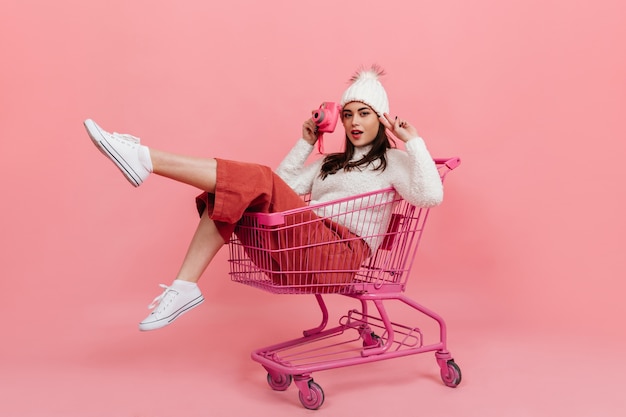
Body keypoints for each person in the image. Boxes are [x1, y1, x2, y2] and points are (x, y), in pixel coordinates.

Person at [84, 66, 444, 331]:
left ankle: (146, 159)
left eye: (364, 113)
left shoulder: (394, 162)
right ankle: (184, 287)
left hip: (339, 254)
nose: (354, 122)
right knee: (226, 193)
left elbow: (429, 195)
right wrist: (305, 142)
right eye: (348, 114)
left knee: (252, 180)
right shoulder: (330, 164)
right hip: (304, 247)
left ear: (381, 119)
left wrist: (414, 143)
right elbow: (278, 184)